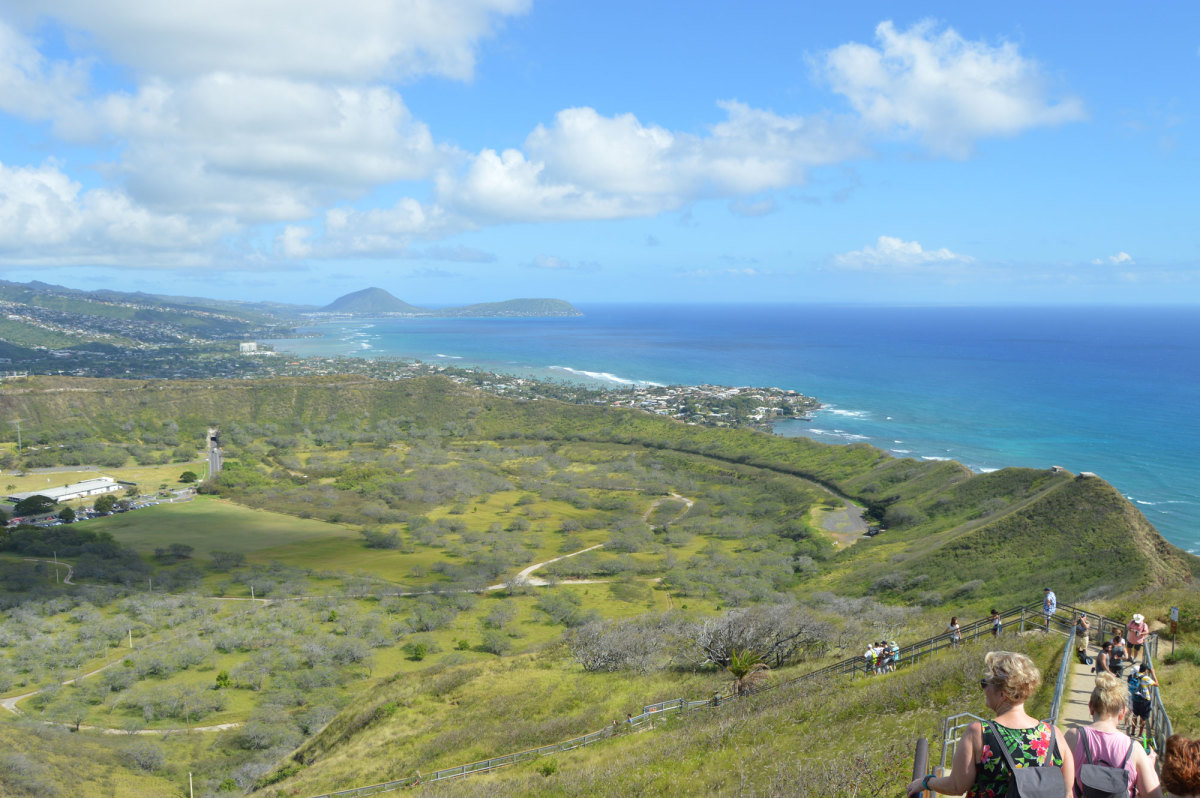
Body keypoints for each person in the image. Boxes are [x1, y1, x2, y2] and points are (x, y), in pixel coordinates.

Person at [906, 651, 1073, 797]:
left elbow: (957, 786)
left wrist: (926, 782)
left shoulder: (979, 733)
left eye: (985, 684)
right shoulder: (1054, 734)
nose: (984, 689)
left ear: (1003, 693)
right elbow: (1066, 791)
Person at [1064, 672, 1162, 798]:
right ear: (1122, 713)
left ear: (1090, 707)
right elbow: (1154, 795)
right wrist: (1149, 765)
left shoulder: (1073, 737)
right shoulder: (1134, 749)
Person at [1129, 662, 1158, 739]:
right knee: (1143, 718)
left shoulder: (1134, 675)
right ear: (1145, 670)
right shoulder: (1145, 678)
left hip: (1135, 698)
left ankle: (1132, 733)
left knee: (1135, 715)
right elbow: (1157, 684)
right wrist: (1153, 673)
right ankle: (1140, 734)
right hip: (1144, 701)